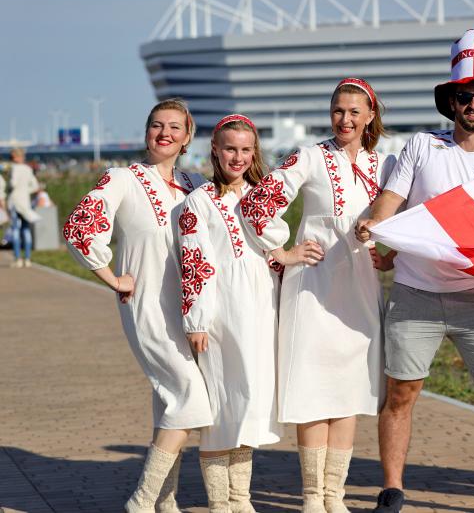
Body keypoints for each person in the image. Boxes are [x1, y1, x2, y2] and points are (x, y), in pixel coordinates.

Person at [355, 29, 474, 513]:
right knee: (402, 392)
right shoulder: (421, 146)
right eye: (465, 96)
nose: (473, 104)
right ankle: (392, 489)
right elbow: (391, 204)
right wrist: (373, 228)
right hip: (416, 293)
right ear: (451, 102)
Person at [240, 78, 394, 513]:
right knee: (311, 388)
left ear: (369, 117)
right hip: (313, 285)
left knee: (349, 391)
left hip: (359, 288)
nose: (345, 119)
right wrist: (282, 251)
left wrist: (389, 251)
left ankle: (335, 497)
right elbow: (257, 204)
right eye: (337, 111)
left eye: (353, 112)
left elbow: (411, 211)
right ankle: (311, 498)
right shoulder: (309, 157)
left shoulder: (383, 165)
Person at [62, 99, 212, 512]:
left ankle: (166, 502)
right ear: (147, 131)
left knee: (171, 402)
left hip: (194, 307)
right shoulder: (123, 179)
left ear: (187, 138)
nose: (165, 133)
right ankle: (142, 502)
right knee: (190, 399)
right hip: (147, 304)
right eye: (157, 125)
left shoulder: (196, 183)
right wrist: (109, 275)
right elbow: (80, 226)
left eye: (175, 127)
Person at [180, 114, 284, 512]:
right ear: (215, 151)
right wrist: (197, 320)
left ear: (254, 152)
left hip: (260, 310)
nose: (237, 157)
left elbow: (274, 253)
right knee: (221, 406)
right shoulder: (199, 202)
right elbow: (196, 261)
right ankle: (220, 503)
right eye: (230, 149)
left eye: (245, 149)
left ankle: (242, 500)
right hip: (220, 314)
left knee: (251, 403)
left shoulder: (261, 195)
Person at [8, 148, 40, 267]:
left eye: (12, 156)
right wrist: (26, 191)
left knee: (16, 229)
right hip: (25, 202)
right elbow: (35, 186)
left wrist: (11, 188)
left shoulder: (14, 168)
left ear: (17, 157)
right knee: (26, 230)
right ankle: (27, 258)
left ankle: (18, 259)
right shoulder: (28, 169)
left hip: (15, 202)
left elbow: (13, 184)